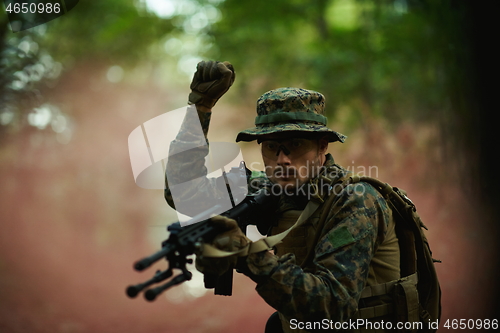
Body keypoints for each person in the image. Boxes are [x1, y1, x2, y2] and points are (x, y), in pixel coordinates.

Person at [164, 61, 401, 332]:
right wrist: (200, 108)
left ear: (322, 145)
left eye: (295, 145)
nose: (282, 160)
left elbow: (333, 308)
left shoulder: (356, 201)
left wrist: (247, 254)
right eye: (272, 147)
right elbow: (184, 195)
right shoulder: (270, 188)